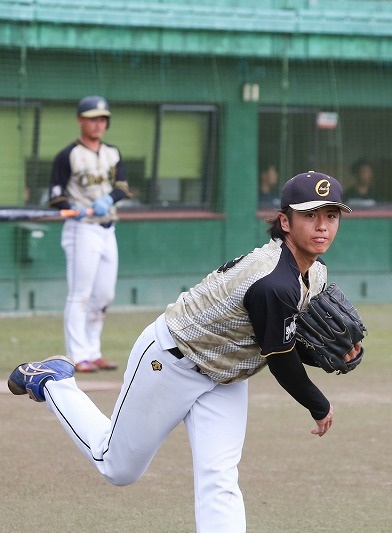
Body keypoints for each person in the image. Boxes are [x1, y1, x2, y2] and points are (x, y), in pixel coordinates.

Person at [8, 171, 360, 533]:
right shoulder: (273, 281)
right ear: (285, 222)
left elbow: (281, 336)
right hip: (172, 361)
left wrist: (332, 351)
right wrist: (318, 404)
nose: (322, 226)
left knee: (220, 478)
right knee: (118, 468)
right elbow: (281, 359)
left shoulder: (313, 272)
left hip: (226, 376)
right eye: (310, 215)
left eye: (331, 215)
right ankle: (53, 382)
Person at [48, 95, 133, 373]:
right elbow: (55, 196)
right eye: (92, 119)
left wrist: (109, 199)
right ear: (80, 120)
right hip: (81, 229)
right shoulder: (68, 155)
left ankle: (93, 351)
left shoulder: (112, 152)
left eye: (102, 119)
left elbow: (122, 187)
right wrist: (71, 208)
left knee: (105, 295)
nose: (98, 124)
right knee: (80, 294)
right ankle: (77, 355)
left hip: (108, 228)